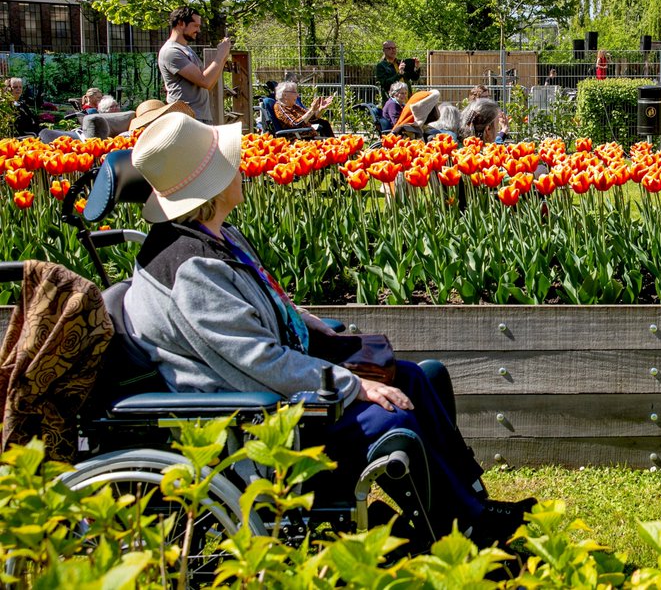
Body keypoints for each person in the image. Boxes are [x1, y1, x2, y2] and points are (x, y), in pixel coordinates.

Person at [125, 114, 534, 548]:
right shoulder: (190, 268)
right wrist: (351, 384)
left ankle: (473, 503)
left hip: (277, 383)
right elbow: (256, 359)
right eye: (230, 162)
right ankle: (459, 532)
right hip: (252, 415)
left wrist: (303, 319)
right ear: (211, 183)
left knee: (412, 376)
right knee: (390, 412)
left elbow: (259, 305)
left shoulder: (217, 236)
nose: (241, 165)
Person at [158, 6, 233, 124]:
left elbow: (210, 84)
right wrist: (220, 55)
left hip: (200, 116)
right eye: (195, 26)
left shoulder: (186, 49)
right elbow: (205, 81)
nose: (198, 30)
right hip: (186, 118)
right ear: (181, 23)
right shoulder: (171, 51)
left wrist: (223, 57)